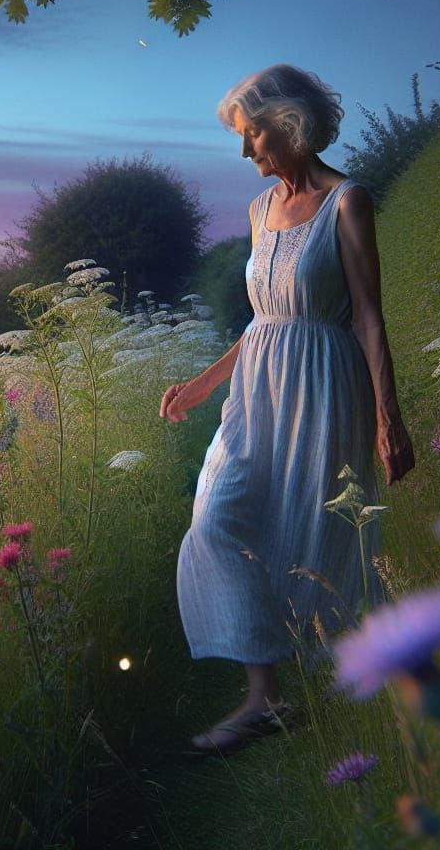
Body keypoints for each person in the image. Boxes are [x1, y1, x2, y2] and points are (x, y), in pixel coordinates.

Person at [160, 64, 415, 756]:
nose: (248, 153)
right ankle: (267, 693)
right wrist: (202, 385)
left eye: (253, 136)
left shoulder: (348, 201)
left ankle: (351, 685)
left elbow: (368, 316)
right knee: (217, 517)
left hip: (326, 382)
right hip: (256, 390)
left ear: (290, 122)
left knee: (319, 527)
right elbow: (261, 320)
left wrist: (389, 417)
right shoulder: (258, 212)